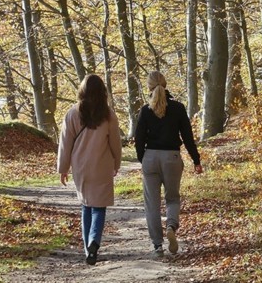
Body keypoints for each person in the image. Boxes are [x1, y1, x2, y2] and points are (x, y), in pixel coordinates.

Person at [135, 71, 203, 257]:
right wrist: (196, 160)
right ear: (165, 84)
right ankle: (171, 226)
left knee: (152, 204)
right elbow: (187, 137)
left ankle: (157, 245)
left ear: (149, 87)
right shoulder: (178, 108)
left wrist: (143, 159)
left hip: (150, 157)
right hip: (172, 157)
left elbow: (139, 139)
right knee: (172, 198)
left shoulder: (145, 111)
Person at [57, 74, 122, 265]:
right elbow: (115, 142)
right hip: (102, 165)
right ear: (103, 91)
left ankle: (88, 248)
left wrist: (63, 168)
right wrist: (117, 162)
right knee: (99, 207)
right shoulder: (108, 114)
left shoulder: (72, 113)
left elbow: (65, 144)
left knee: (86, 205)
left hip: (81, 167)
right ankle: (94, 239)